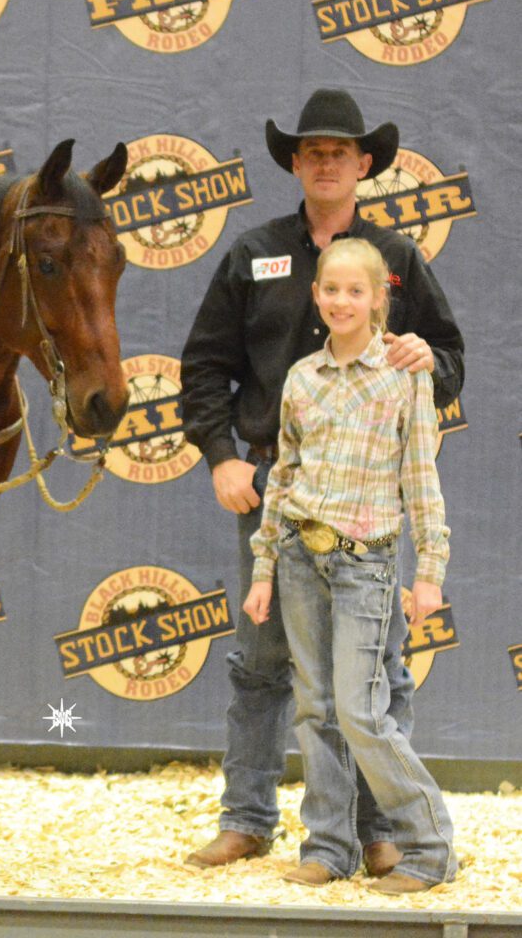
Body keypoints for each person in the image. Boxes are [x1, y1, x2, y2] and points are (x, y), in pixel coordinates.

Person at [180, 88, 464, 873]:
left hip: (369, 499)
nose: (327, 162)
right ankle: (249, 817)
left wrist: (429, 361)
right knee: (262, 662)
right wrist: (221, 455)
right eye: (313, 152)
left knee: (375, 674)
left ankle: (378, 831)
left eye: (340, 151)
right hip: (277, 484)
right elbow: (203, 365)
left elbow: (449, 360)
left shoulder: (397, 257)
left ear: (364, 163)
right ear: (296, 164)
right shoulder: (253, 253)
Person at [243, 237, 456, 894]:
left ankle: (429, 846)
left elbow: (420, 476)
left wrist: (430, 570)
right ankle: (328, 846)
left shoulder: (404, 375)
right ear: (315, 296)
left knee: (362, 711)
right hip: (299, 560)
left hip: (366, 564)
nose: (341, 301)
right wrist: (263, 567)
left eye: (355, 291)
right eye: (331, 290)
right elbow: (283, 476)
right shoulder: (302, 378)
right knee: (314, 708)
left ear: (377, 298)